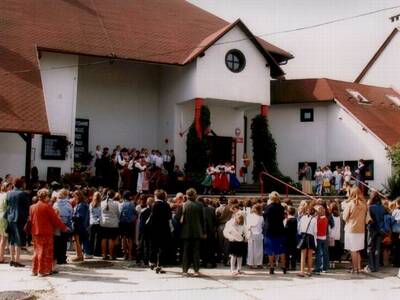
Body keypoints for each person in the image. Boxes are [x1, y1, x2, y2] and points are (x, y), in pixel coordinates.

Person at [28, 189, 68, 276]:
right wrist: (64, 228)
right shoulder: (47, 206)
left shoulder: (32, 207)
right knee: (45, 252)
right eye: (48, 196)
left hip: (35, 231)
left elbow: (31, 220)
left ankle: (34, 270)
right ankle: (42, 271)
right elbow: (55, 220)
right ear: (45, 197)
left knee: (36, 251)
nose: (49, 198)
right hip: (46, 232)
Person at [176, 188, 204, 276]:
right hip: (197, 232)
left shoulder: (183, 205)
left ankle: (185, 270)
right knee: (196, 252)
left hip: (185, 232)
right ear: (195, 195)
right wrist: (204, 231)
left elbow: (177, 218)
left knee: (186, 252)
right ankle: (196, 270)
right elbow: (203, 220)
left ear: (186, 195)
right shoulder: (200, 205)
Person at [343, 187, 368, 274]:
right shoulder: (364, 204)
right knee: (357, 250)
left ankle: (354, 268)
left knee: (353, 250)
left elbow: (344, 217)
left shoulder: (350, 204)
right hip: (361, 229)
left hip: (351, 228)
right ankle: (358, 268)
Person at [5, 177, 29, 267]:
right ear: (21, 184)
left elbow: (7, 204)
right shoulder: (23, 194)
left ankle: (12, 259)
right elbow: (27, 207)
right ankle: (17, 260)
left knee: (11, 240)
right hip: (19, 218)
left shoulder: (9, 193)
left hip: (10, 217)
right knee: (18, 240)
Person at [149, 189, 172, 274]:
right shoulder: (166, 205)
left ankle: (152, 262)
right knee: (162, 248)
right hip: (164, 229)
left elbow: (151, 218)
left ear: (156, 196)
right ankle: (160, 265)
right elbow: (169, 217)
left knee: (153, 246)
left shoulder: (153, 205)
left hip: (154, 229)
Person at [263, 191, 286, 274]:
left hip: (269, 230)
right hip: (279, 229)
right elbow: (283, 218)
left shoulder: (268, 207)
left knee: (270, 249)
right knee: (281, 249)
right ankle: (283, 266)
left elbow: (265, 217)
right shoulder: (281, 207)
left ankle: (272, 267)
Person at [364, 192, 385, 273]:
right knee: (377, 249)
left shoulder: (370, 207)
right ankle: (376, 267)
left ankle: (371, 266)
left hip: (372, 229)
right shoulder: (382, 207)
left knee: (369, 248)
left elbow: (368, 219)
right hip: (380, 229)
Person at [53, 189, 73, 265]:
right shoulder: (68, 204)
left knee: (57, 241)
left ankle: (57, 258)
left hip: (57, 224)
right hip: (65, 223)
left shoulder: (55, 204)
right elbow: (71, 215)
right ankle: (62, 258)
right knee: (63, 242)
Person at [297, 205, 317, 277]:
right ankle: (309, 271)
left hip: (303, 235)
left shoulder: (302, 218)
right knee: (310, 256)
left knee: (303, 255)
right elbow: (315, 231)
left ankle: (302, 271)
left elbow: (299, 228)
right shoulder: (314, 219)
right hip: (311, 236)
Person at [100, 190, 120, 260]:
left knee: (104, 239)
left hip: (104, 223)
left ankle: (104, 255)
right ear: (114, 196)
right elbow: (118, 213)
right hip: (113, 223)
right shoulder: (116, 204)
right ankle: (111, 255)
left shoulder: (102, 203)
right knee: (112, 239)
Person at [71, 190, 90, 262]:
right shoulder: (82, 204)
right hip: (81, 225)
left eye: (74, 196)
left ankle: (79, 256)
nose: (73, 197)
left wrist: (71, 216)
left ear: (78, 196)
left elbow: (80, 217)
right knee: (77, 241)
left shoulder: (81, 205)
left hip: (78, 225)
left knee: (77, 241)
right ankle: (79, 255)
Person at [200, 198, 217, 268]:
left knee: (204, 248)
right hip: (211, 231)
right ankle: (212, 262)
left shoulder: (200, 210)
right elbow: (215, 220)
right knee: (211, 248)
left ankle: (204, 262)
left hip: (203, 232)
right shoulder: (212, 209)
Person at [119, 191, 136, 260]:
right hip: (130, 223)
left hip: (122, 223)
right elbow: (134, 212)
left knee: (123, 238)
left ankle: (124, 254)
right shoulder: (132, 204)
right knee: (130, 239)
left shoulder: (121, 204)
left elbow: (119, 213)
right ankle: (130, 255)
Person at [246, 204, 264, 269]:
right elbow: (262, 225)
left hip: (253, 233)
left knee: (251, 249)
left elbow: (247, 225)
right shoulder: (261, 217)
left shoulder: (250, 216)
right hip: (257, 234)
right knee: (258, 250)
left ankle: (251, 264)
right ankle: (258, 263)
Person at [314, 205, 329, 274]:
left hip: (319, 237)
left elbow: (317, 227)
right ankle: (324, 267)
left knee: (319, 254)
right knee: (324, 253)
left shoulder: (320, 219)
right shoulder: (325, 218)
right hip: (324, 237)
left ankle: (318, 268)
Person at [0, 182, 12, 263]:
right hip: (4, 216)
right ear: (7, 187)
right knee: (4, 238)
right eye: (10, 187)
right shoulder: (7, 195)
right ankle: (1, 258)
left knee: (1, 237)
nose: (11, 189)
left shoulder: (0, 194)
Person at [88, 191, 102, 257]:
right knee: (98, 238)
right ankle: (97, 252)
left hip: (92, 222)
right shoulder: (101, 204)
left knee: (91, 238)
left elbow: (90, 213)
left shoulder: (91, 204)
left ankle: (90, 251)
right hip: (99, 222)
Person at [284, 206, 298, 271]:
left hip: (287, 238)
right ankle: (293, 266)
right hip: (294, 237)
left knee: (286, 252)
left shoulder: (287, 220)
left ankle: (286, 266)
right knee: (293, 253)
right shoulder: (296, 220)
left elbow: (284, 228)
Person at [392, 197, 400, 268]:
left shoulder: (396, 211)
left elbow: (392, 220)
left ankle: (396, 262)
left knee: (396, 248)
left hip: (396, 232)